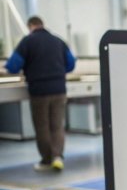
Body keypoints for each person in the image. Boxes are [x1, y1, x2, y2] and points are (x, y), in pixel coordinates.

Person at [4, 16, 76, 171]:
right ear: (42, 25)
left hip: (39, 92)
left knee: (42, 127)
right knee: (57, 126)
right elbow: (71, 63)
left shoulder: (27, 42)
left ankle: (46, 160)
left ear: (30, 26)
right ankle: (58, 157)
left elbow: (13, 66)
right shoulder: (58, 41)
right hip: (59, 89)